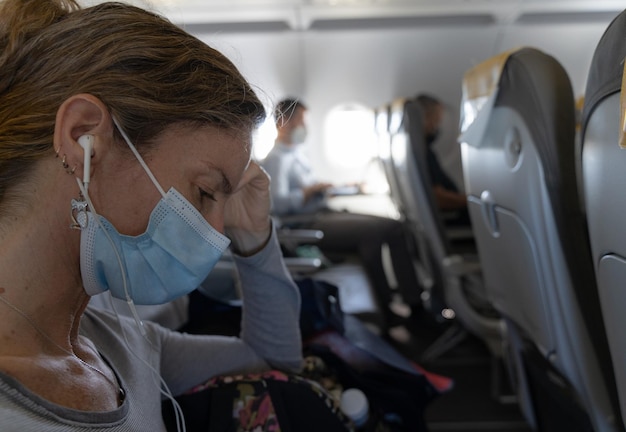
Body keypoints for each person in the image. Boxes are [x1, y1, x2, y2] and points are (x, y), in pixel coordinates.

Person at [0, 1, 302, 431]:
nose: (216, 234)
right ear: (84, 136)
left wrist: (252, 235)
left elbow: (273, 361)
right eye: (204, 192)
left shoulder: (112, 342)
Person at [262, 98, 423, 329]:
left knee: (394, 226)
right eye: (299, 120)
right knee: (372, 234)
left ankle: (409, 300)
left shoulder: (296, 152)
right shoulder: (277, 159)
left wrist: (338, 187)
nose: (303, 126)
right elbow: (278, 204)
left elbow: (311, 188)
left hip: (320, 213)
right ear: (282, 122)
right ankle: (392, 307)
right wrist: (308, 192)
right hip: (305, 224)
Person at [415, 93, 471, 227]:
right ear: (425, 118)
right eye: (436, 119)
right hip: (451, 215)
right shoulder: (423, 152)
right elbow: (438, 198)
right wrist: (470, 201)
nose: (437, 124)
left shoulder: (421, 148)